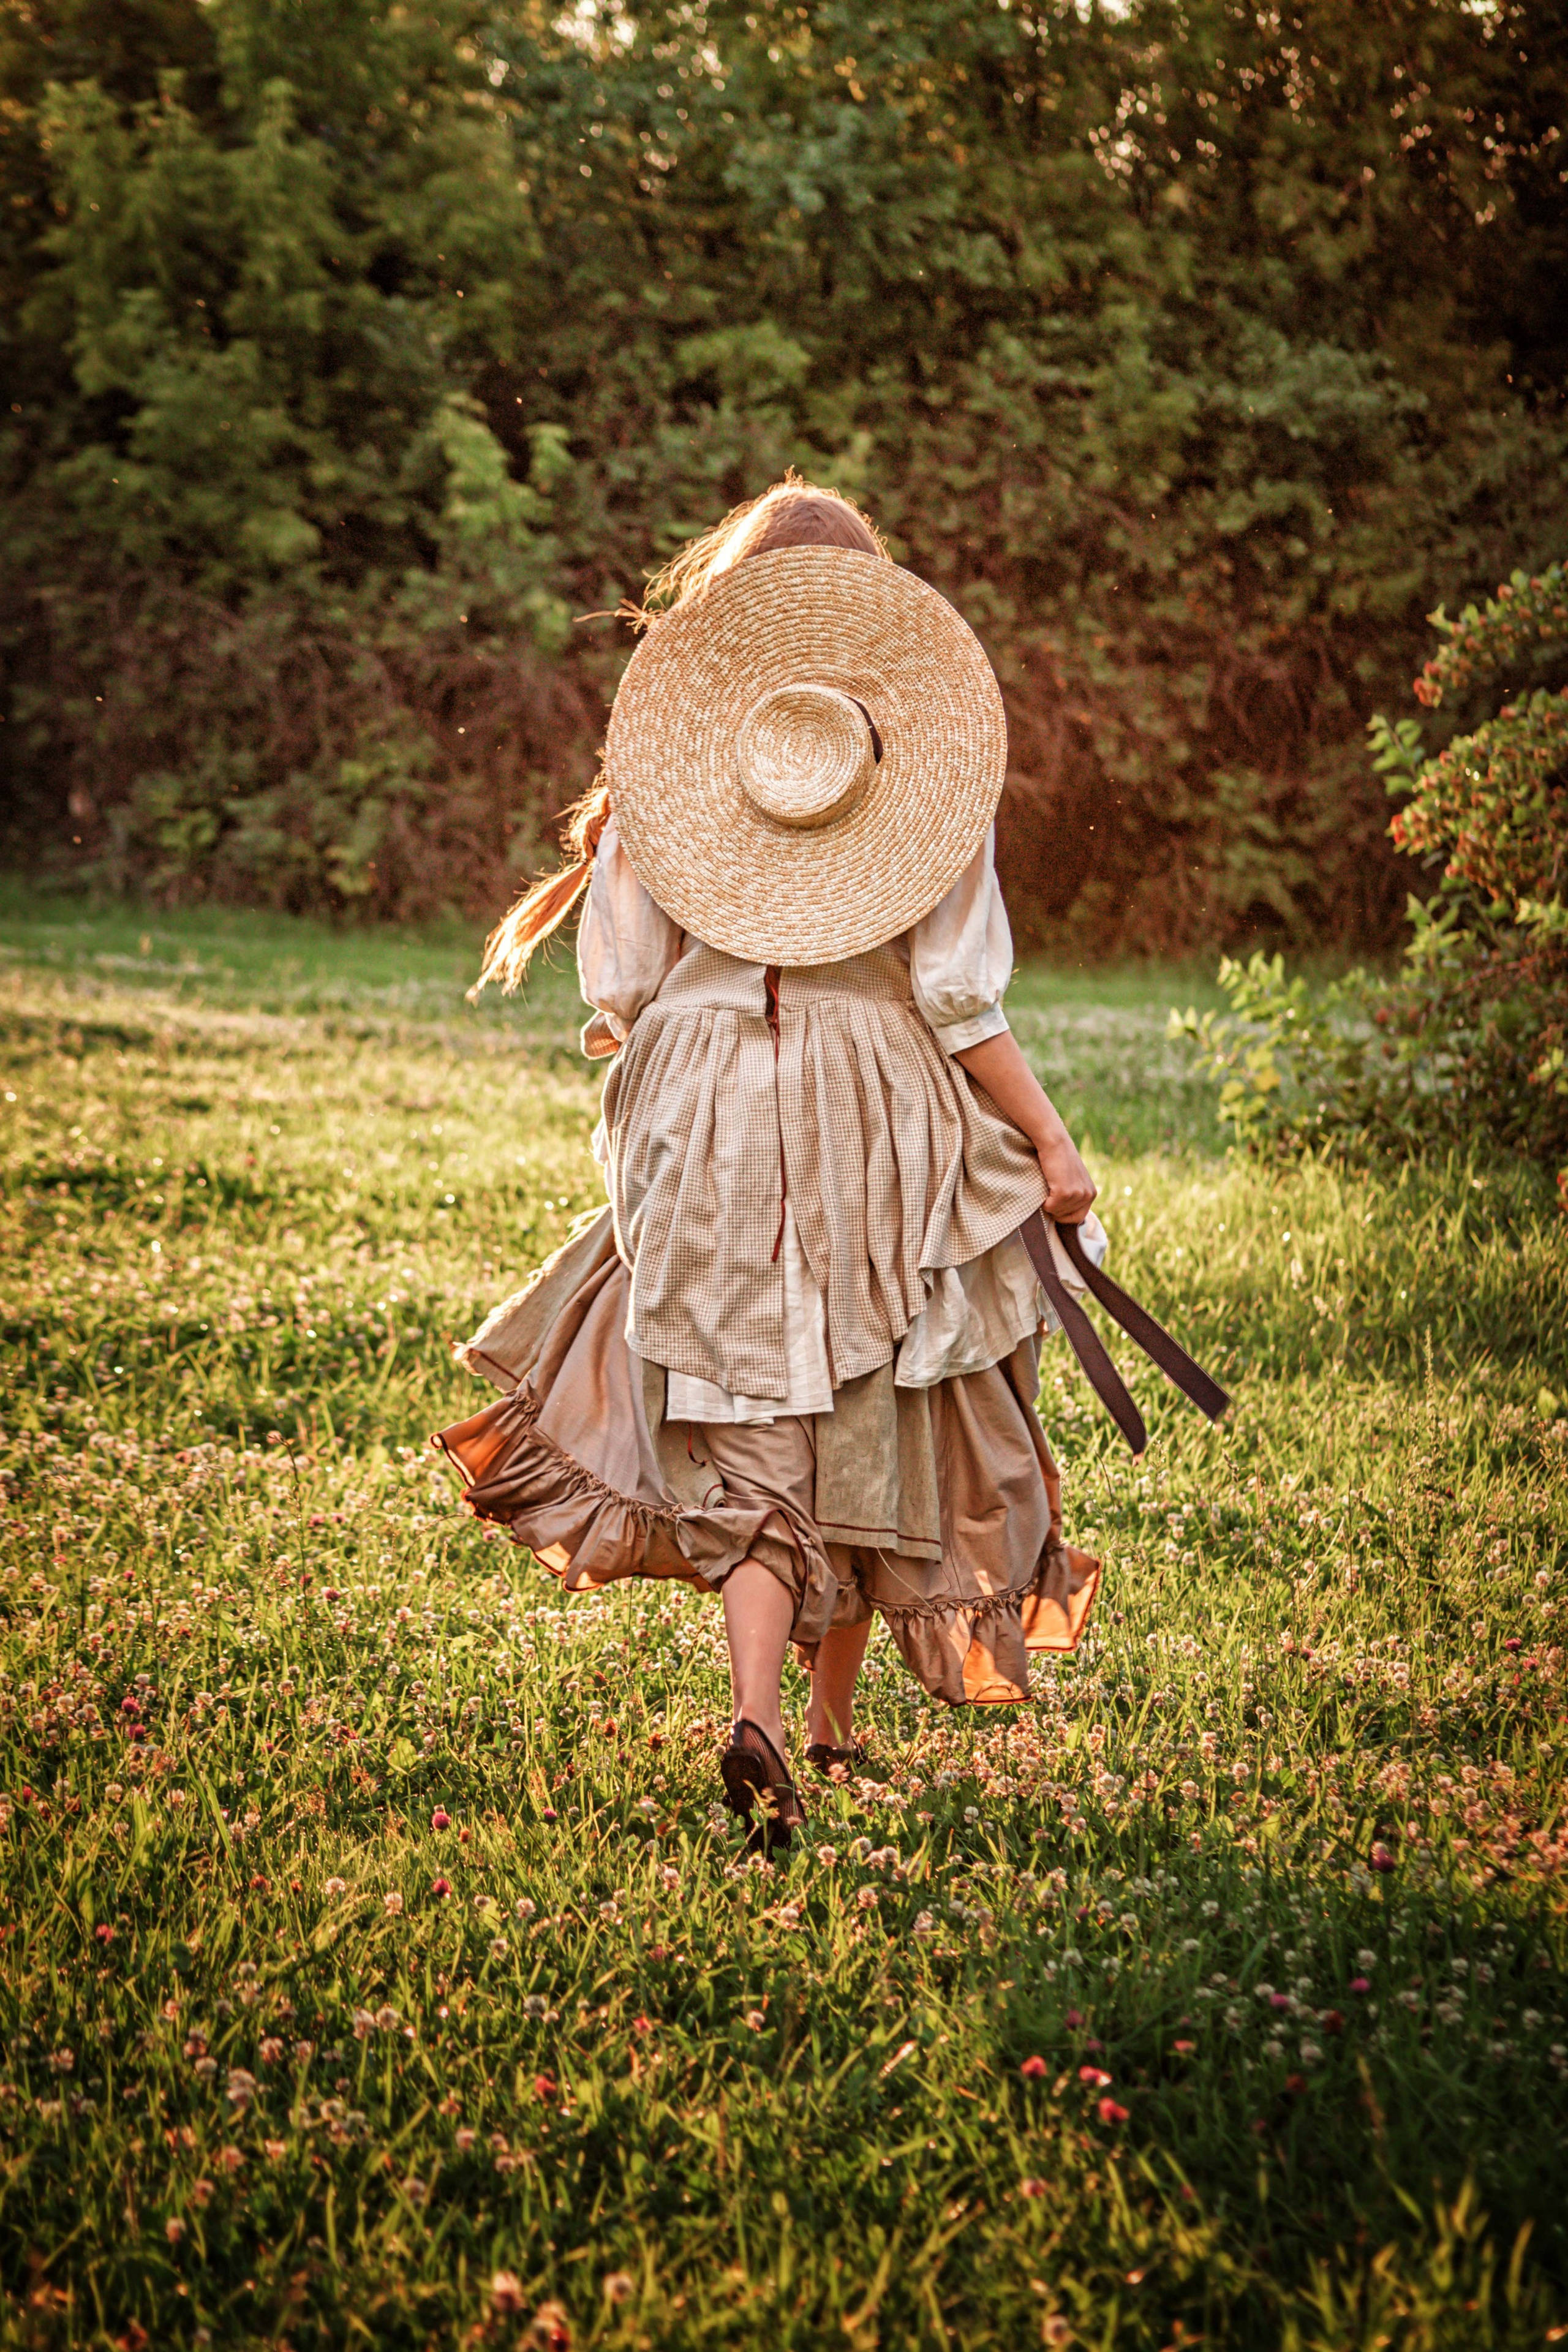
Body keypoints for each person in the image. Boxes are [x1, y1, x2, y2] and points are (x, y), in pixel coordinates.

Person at [434, 477, 1106, 1852]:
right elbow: (960, 1003)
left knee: (746, 1405)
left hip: (695, 1092)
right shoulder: (922, 786)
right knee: (855, 1395)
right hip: (868, 1095)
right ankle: (829, 1723)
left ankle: (762, 1713)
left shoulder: (658, 783)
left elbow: (621, 993)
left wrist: (693, 1050)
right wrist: (1047, 1140)